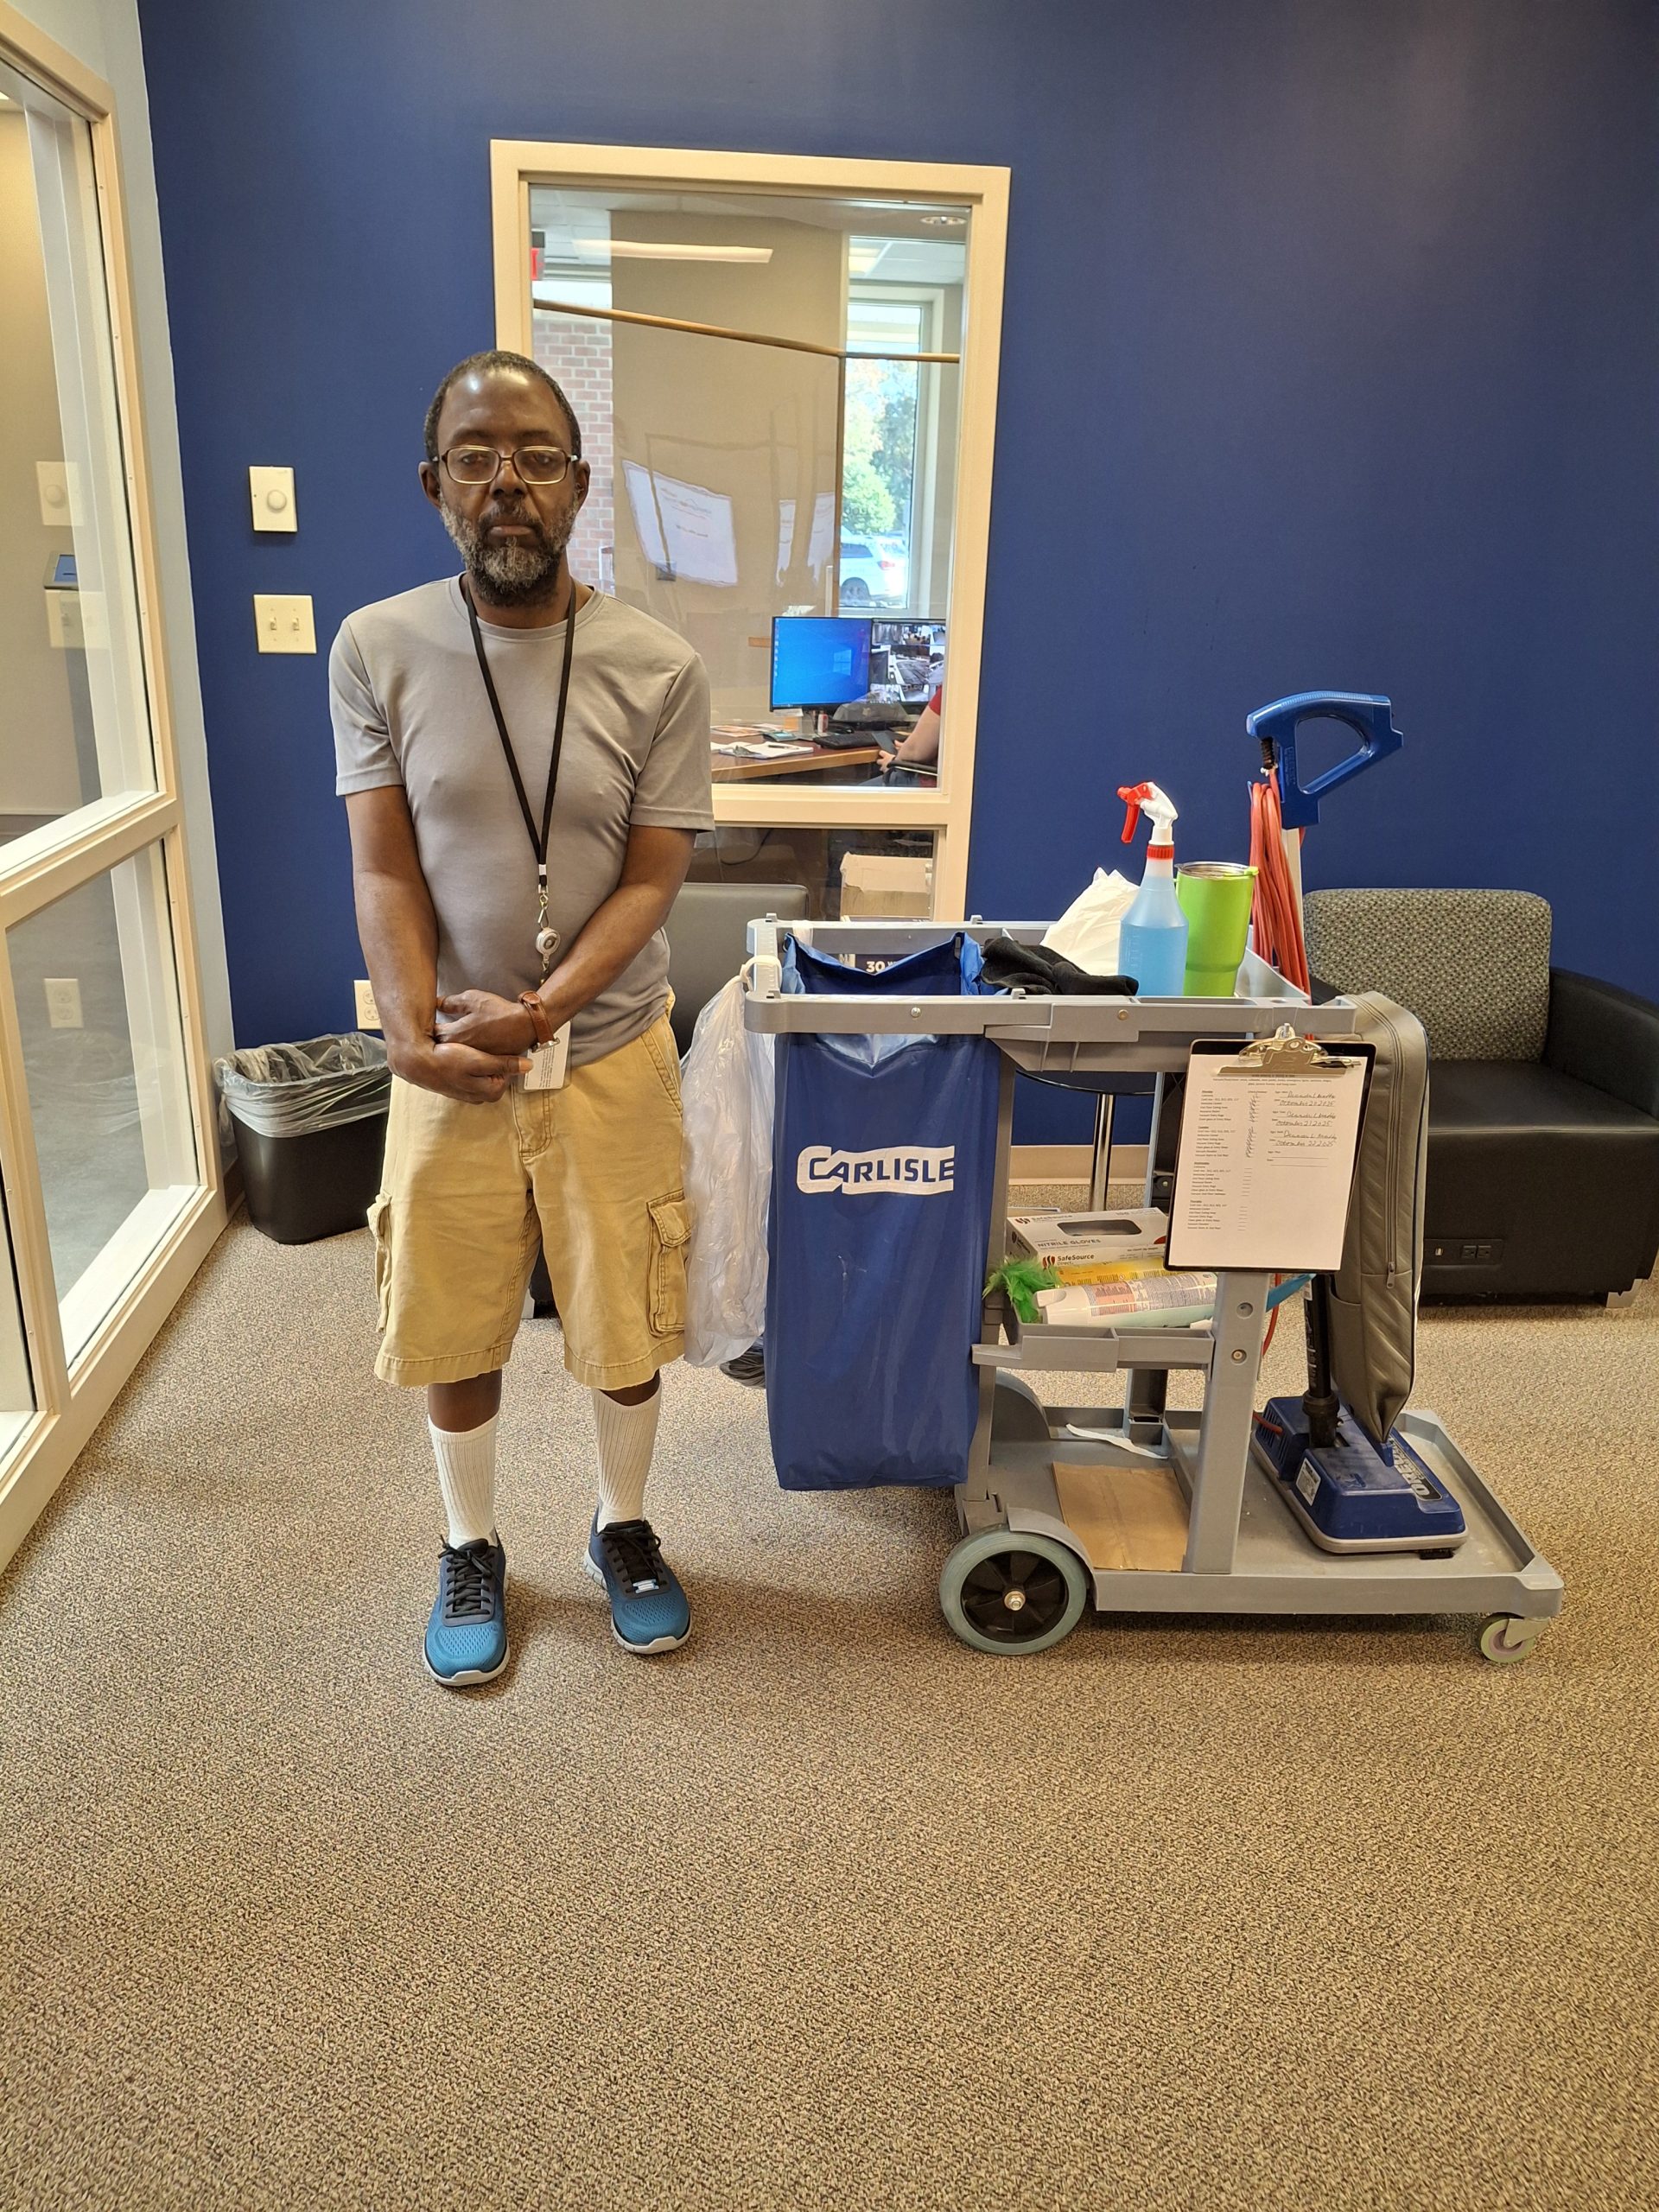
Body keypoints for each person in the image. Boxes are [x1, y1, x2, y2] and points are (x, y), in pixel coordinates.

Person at [331, 349, 714, 1687]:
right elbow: (384, 863)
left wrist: (547, 1004)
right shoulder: (377, 646)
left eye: (538, 456)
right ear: (436, 484)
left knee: (624, 1321)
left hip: (610, 1051)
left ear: (579, 484)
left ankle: (622, 1525)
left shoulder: (657, 664)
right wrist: (405, 1030)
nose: (510, 483)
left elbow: (658, 872)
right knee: (450, 1316)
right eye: (480, 456)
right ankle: (471, 1541)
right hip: (445, 1059)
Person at [885, 683, 941, 773]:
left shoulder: (950, 689)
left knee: (864, 786)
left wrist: (892, 762)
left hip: (936, 781)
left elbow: (915, 751)